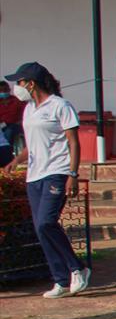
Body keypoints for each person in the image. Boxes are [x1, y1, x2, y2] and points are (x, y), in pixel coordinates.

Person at [6, 62, 88, 298]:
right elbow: (32, 144)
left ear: (31, 83)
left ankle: (77, 267)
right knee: (41, 229)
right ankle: (60, 280)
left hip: (57, 171)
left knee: (46, 222)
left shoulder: (60, 106)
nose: (16, 87)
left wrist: (73, 173)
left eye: (19, 82)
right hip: (35, 174)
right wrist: (17, 160)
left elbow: (73, 141)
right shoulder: (29, 108)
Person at [0, 78, 24, 169]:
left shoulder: (16, 101)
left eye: (5, 90)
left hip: (15, 125)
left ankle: (8, 152)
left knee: (9, 132)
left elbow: (26, 113)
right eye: (1, 91)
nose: (3, 92)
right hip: (2, 126)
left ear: (9, 90)